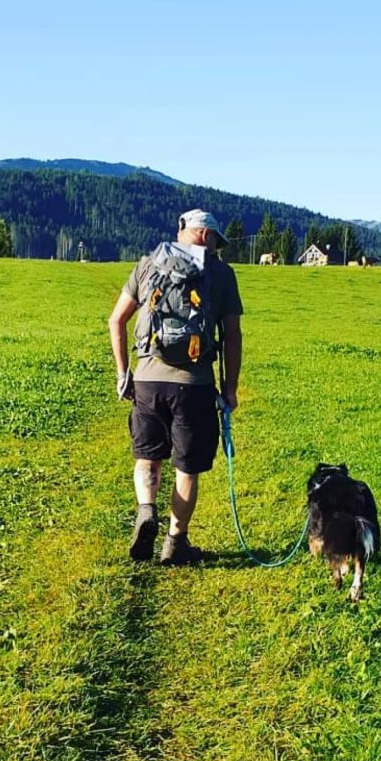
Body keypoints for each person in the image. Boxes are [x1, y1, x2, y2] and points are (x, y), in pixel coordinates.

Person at [108, 209, 243, 564]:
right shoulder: (220, 274)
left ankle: (146, 509)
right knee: (187, 468)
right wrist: (230, 390)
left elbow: (116, 320)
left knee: (147, 458)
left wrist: (124, 373)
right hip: (194, 386)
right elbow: (232, 335)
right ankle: (175, 542)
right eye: (215, 240)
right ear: (203, 234)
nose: (216, 248)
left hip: (148, 381)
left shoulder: (149, 264)